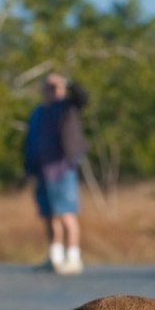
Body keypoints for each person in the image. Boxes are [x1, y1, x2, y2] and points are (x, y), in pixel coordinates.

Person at [23, 73, 89, 275]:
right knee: (49, 216)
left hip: (63, 169)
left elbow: (83, 98)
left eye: (56, 87)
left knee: (67, 215)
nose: (52, 91)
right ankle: (55, 257)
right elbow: (30, 141)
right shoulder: (38, 112)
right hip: (43, 171)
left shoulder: (67, 108)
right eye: (48, 87)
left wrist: (68, 82)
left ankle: (73, 258)